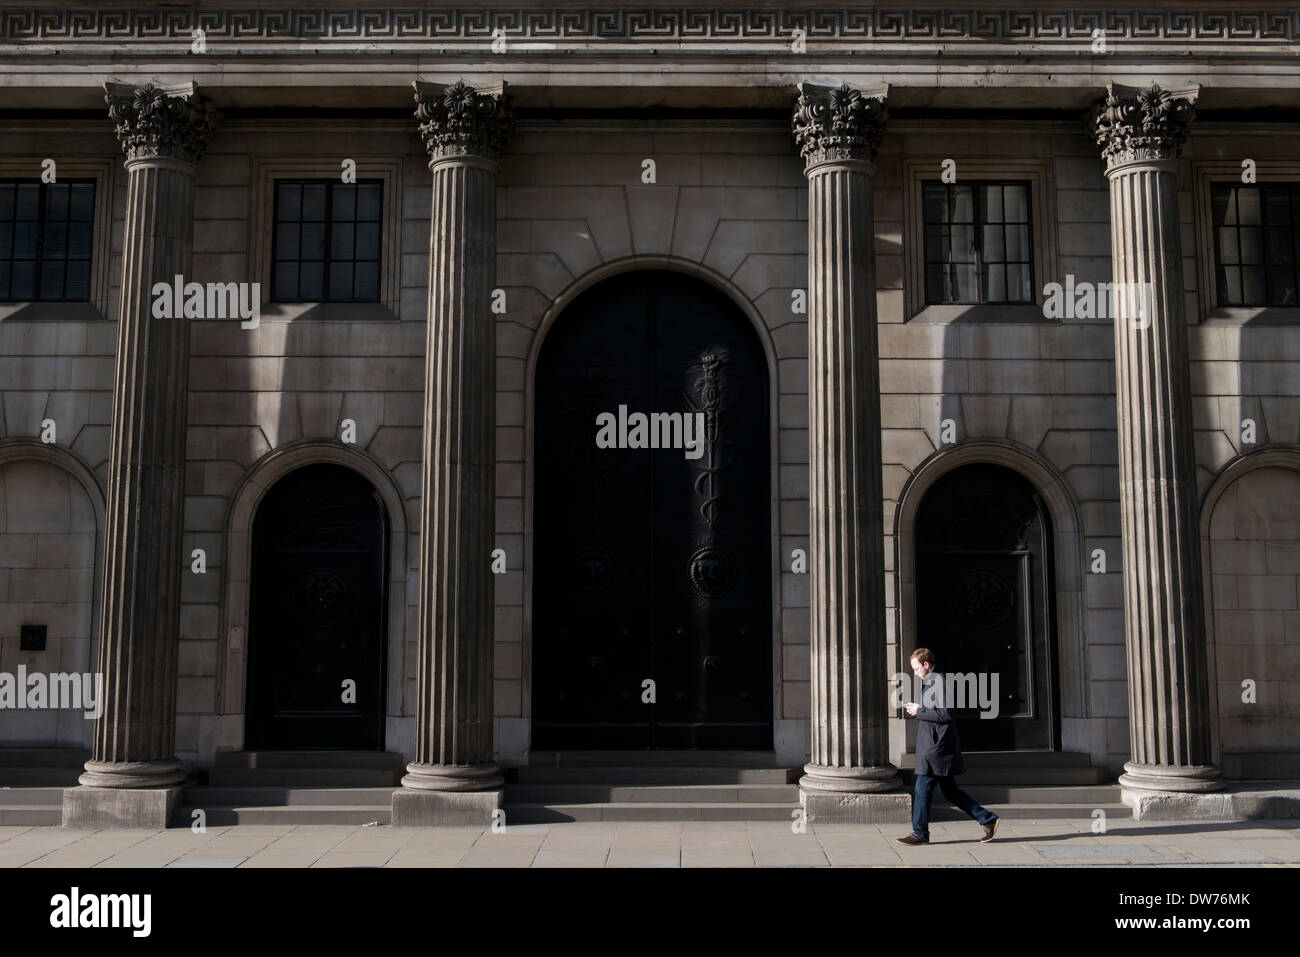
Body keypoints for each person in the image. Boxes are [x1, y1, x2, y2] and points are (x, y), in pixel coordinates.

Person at [897, 648, 1000, 845]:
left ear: (926, 665)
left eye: (917, 668)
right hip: (935, 745)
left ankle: (919, 833)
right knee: (950, 791)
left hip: (937, 747)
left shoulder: (939, 681)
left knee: (922, 788)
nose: (915, 673)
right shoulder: (933, 680)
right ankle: (988, 819)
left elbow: (945, 713)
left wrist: (919, 711)